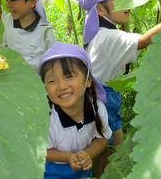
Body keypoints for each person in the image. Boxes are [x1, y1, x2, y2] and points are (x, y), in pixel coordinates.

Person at [79, 0, 161, 175]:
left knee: (116, 150)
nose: (127, 3)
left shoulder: (101, 31)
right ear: (99, 9)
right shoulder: (108, 36)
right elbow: (142, 41)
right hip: (102, 101)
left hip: (105, 97)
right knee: (105, 156)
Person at [37, 41, 112, 179]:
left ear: (88, 80)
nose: (61, 86)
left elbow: (102, 138)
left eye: (69, 76)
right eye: (52, 81)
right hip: (51, 171)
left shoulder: (97, 109)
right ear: (45, 88)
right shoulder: (47, 118)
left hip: (82, 169)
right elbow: (43, 151)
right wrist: (68, 157)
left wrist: (87, 154)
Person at [0, 0, 55, 68]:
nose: (8, 5)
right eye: (6, 0)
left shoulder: (45, 30)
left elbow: (53, 61)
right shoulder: (8, 21)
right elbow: (4, 48)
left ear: (32, 2)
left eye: (13, 0)